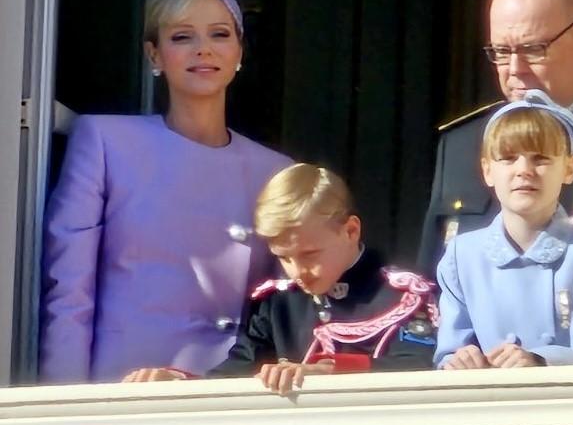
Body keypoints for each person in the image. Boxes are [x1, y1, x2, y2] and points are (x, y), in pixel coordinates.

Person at [40, 0, 291, 383]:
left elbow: (289, 302)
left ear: (239, 52)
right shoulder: (106, 142)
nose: (203, 49)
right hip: (125, 388)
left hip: (231, 389)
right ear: (153, 54)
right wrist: (63, 404)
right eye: (181, 36)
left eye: (220, 34)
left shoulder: (275, 170)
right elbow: (68, 291)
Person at [417, 0, 573, 296]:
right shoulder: (462, 144)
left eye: (533, 49)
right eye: (501, 52)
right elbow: (429, 292)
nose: (514, 70)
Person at [124, 163, 437, 394]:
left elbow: (418, 365)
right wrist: (178, 382)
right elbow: (237, 372)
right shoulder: (276, 304)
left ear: (351, 231)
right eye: (284, 258)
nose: (297, 272)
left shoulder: (404, 295)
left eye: (310, 254)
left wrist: (328, 370)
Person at [435, 89, 573, 369]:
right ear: (487, 171)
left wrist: (542, 360)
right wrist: (459, 361)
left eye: (540, 158)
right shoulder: (462, 256)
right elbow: (448, 353)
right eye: (507, 158)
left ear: (569, 168)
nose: (524, 170)